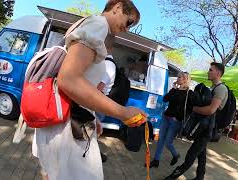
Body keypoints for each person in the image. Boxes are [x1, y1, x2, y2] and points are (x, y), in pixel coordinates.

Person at [32, 1, 144, 180]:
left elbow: (78, 78)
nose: (127, 29)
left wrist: (91, 113)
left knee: (51, 174)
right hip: (68, 127)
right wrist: (122, 112)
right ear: (117, 7)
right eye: (129, 22)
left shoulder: (84, 23)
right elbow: (68, 79)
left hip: (61, 118)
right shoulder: (99, 25)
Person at [165, 62, 228, 180]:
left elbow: (211, 110)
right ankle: (199, 177)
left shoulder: (221, 89)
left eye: (210, 70)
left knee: (191, 155)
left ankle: (172, 176)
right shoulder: (212, 88)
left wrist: (192, 108)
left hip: (207, 130)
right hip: (203, 127)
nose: (208, 72)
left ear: (218, 73)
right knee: (201, 155)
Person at [148, 72, 194, 168]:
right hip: (166, 117)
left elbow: (190, 109)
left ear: (185, 79)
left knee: (168, 142)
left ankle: (176, 155)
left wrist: (178, 117)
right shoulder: (175, 90)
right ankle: (156, 160)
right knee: (160, 140)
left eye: (179, 77)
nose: (177, 78)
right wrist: (173, 88)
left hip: (175, 121)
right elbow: (165, 99)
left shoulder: (189, 93)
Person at [96, 35, 116, 163]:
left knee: (90, 131)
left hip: (98, 101)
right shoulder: (105, 63)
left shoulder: (108, 65)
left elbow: (99, 87)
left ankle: (95, 156)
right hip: (98, 100)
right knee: (91, 132)